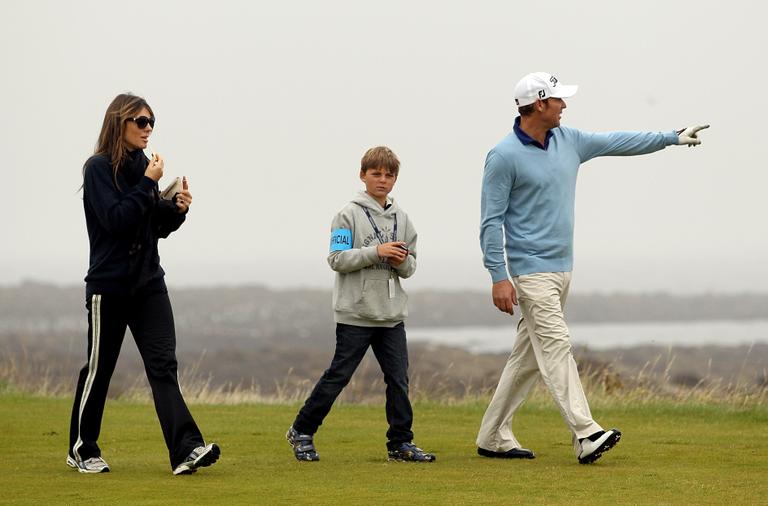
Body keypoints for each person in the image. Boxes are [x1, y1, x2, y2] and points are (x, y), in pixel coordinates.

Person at [476, 72, 708, 464]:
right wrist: (499, 276)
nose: (565, 105)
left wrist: (671, 136)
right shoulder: (503, 156)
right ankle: (586, 433)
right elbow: (490, 220)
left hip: (563, 269)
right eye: (559, 100)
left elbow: (618, 141)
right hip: (530, 273)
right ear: (539, 104)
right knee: (556, 347)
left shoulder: (570, 141)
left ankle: (492, 435)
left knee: (529, 357)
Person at [68, 93, 220, 475]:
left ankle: (186, 450)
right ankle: (83, 449)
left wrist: (177, 210)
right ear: (119, 123)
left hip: (149, 284)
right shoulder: (98, 169)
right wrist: (148, 184)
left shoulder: (143, 166)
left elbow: (153, 226)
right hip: (109, 286)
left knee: (163, 366)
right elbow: (117, 220)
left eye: (151, 121)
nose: (148, 128)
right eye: (140, 121)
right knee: (99, 369)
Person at [286, 146, 436, 463]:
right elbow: (336, 259)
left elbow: (410, 268)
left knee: (398, 379)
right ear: (363, 175)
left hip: (391, 316)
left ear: (395, 178)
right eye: (376, 173)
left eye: (389, 174)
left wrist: (400, 260)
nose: (383, 180)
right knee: (339, 376)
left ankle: (400, 443)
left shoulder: (403, 219)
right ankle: (301, 430)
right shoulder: (348, 214)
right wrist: (377, 252)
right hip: (355, 314)